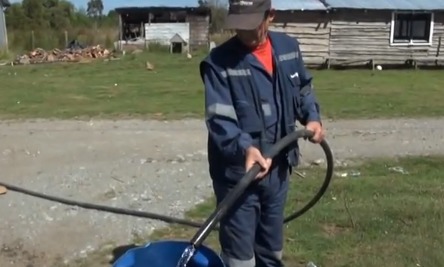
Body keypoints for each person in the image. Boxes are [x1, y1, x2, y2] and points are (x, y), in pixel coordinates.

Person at [198, 0, 325, 266]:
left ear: (271, 16)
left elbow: (303, 89)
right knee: (240, 256)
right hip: (238, 178)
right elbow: (220, 120)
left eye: (250, 25)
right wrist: (245, 148)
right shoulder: (219, 62)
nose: (243, 32)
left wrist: (312, 118)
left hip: (278, 173)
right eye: (238, 25)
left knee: (271, 250)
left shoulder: (289, 49)